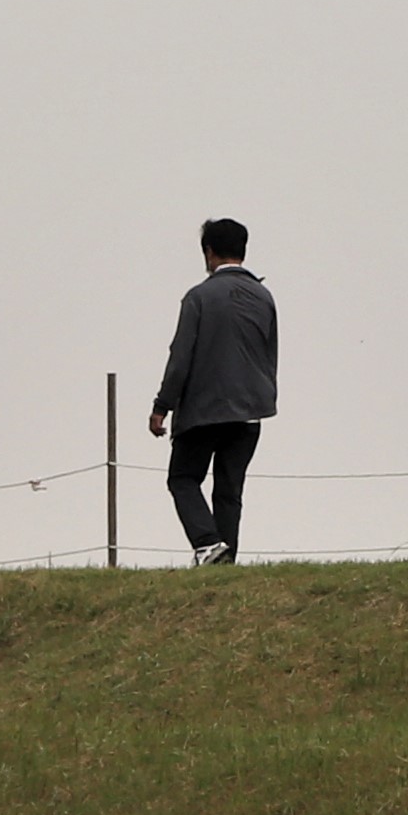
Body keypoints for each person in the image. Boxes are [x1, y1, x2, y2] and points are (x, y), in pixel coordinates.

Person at [145, 218, 277, 565]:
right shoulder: (264, 297)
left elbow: (181, 357)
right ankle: (224, 560)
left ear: (209, 251)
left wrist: (162, 405)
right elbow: (269, 353)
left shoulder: (199, 297)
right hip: (250, 410)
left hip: (204, 409)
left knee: (183, 478)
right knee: (229, 490)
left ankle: (207, 544)